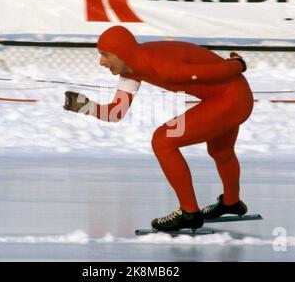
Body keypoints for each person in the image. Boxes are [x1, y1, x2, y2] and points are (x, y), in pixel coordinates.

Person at [63, 25, 253, 232]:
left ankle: (189, 212)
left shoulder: (162, 66)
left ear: (122, 53)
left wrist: (237, 64)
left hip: (232, 98)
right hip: (230, 94)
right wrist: (86, 107)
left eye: (106, 55)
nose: (101, 62)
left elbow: (213, 72)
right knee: (221, 151)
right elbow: (116, 113)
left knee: (163, 141)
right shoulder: (132, 69)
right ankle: (231, 203)